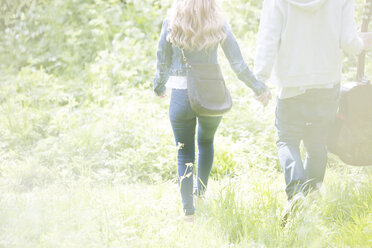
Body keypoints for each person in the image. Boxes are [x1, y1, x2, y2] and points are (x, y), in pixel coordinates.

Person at [254, 0, 372, 222]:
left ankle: (297, 192)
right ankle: (311, 199)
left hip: (291, 84)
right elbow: (350, 43)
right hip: (326, 83)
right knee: (317, 144)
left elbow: (267, 39)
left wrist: (260, 80)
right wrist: (362, 42)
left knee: (287, 140)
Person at [154, 0, 271, 221]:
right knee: (206, 143)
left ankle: (188, 212)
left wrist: (159, 87)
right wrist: (259, 88)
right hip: (211, 94)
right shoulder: (218, 24)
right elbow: (238, 64)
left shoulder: (171, 23)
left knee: (184, 152)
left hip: (180, 95)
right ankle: (200, 194)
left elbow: (162, 63)